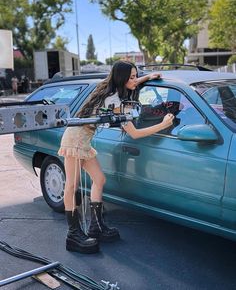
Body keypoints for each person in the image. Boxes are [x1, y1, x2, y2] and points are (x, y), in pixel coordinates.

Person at [58, 60, 174, 254]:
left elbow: (132, 83)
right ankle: (73, 234)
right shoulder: (114, 101)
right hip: (74, 139)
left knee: (99, 179)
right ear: (122, 78)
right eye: (132, 77)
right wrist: (163, 125)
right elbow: (135, 134)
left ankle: (95, 226)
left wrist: (148, 77)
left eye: (136, 76)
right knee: (71, 185)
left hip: (82, 139)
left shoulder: (111, 88)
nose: (135, 80)